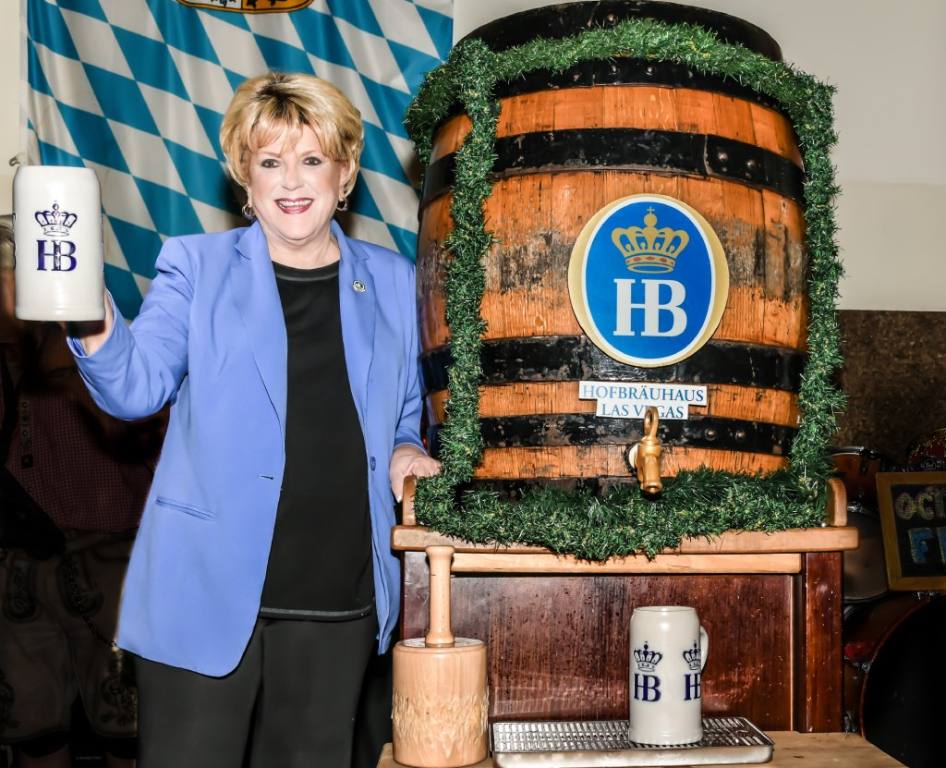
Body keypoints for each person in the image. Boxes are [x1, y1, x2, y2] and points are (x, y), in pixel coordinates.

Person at [66, 71, 440, 767]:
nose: (291, 182)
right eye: (270, 161)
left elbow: (402, 413)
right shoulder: (196, 266)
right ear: (245, 174)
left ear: (345, 170)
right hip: (205, 590)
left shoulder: (393, 279)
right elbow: (134, 388)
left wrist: (404, 451)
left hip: (338, 594)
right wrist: (90, 316)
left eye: (311, 160)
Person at [0, 227, 159, 768]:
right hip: (22, 562)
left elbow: (154, 442)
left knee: (127, 732)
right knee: (34, 731)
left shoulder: (112, 345)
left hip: (113, 556)